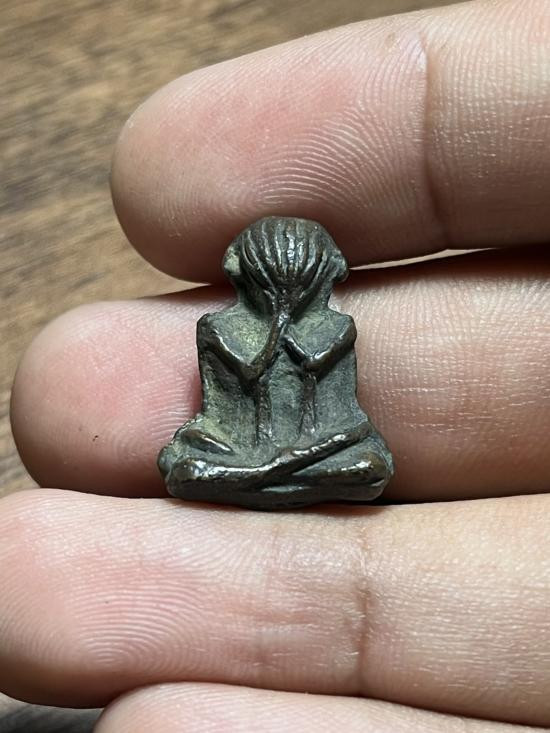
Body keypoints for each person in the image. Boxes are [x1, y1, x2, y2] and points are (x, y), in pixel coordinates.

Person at [2, 0, 550, 730]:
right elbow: (237, 386)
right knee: (186, 463)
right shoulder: (218, 327)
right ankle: (257, 476)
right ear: (249, 275)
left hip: (328, 451)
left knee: (367, 464)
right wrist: (275, 353)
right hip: (236, 450)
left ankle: (262, 477)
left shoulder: (338, 327)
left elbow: (340, 414)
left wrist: (297, 410)